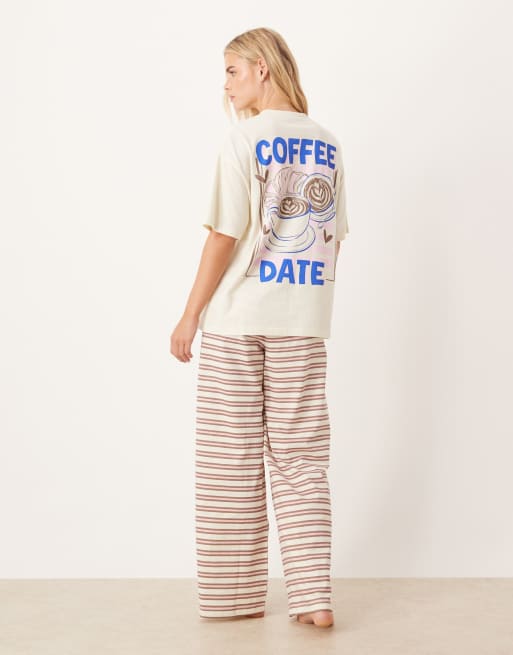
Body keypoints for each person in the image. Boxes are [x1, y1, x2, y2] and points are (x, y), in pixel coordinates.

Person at [169, 27, 349, 628]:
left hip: (238, 319)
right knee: (302, 459)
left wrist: (190, 315)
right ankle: (314, 598)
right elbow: (333, 241)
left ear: (261, 69)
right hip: (304, 321)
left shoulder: (243, 140)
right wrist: (308, 303)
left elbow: (223, 236)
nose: (225, 84)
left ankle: (233, 599)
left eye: (231, 70)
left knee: (231, 461)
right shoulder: (328, 144)